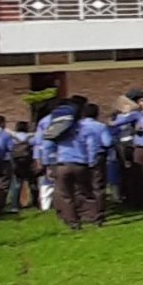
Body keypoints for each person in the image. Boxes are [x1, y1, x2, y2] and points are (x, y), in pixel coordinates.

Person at [32, 97, 102, 230]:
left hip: (62, 164)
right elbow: (92, 146)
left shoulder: (56, 128)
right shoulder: (85, 128)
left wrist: (47, 163)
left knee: (65, 194)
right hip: (81, 164)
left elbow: (46, 146)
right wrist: (91, 161)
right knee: (86, 192)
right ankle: (93, 218)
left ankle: (72, 221)